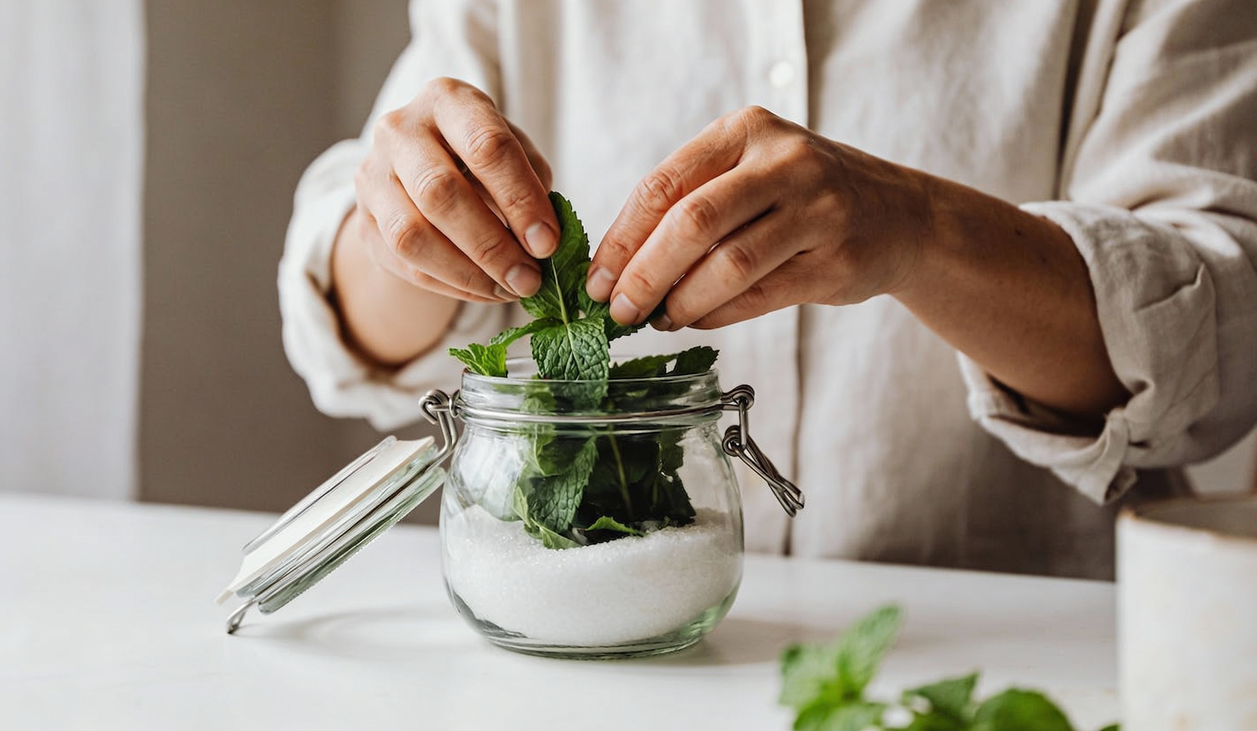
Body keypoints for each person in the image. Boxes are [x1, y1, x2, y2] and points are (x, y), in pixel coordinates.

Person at [279, 0, 1257, 579]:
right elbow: (362, 332)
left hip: (1009, 644)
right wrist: (398, 224)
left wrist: (916, 228)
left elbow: (1217, 345)